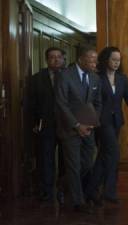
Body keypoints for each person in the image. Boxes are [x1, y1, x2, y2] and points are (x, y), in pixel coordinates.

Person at [86, 46, 128, 205]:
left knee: (104, 155)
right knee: (113, 153)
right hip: (101, 122)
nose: (117, 63)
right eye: (113, 59)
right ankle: (109, 192)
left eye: (119, 60)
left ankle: (91, 191)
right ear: (106, 60)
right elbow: (90, 101)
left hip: (116, 121)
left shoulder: (122, 79)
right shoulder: (96, 77)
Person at [55, 47, 101, 214]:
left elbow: (98, 103)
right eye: (91, 60)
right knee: (74, 165)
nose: (94, 63)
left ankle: (63, 184)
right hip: (70, 129)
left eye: (96, 60)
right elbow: (61, 104)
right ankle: (78, 202)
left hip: (89, 129)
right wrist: (76, 125)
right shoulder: (65, 75)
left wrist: (91, 124)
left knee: (87, 164)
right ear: (81, 59)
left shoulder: (95, 78)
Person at [28, 47, 66, 204]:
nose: (56, 60)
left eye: (58, 57)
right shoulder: (36, 79)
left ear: (63, 59)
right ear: (46, 60)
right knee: (46, 159)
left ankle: (63, 190)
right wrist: (34, 123)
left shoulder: (69, 76)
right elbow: (31, 104)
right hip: (46, 125)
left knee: (65, 160)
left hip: (66, 125)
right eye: (52, 57)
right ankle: (47, 191)